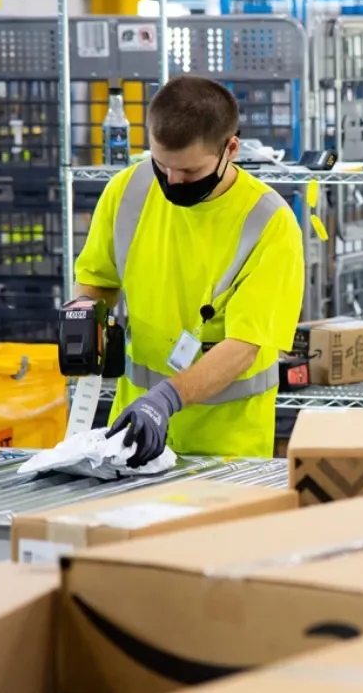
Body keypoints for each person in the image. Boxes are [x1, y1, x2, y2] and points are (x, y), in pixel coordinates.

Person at [73, 75, 305, 464]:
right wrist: (82, 315)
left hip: (228, 449)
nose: (173, 181)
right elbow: (97, 279)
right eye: (161, 165)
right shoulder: (126, 191)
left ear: (231, 148)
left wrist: (165, 399)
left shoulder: (269, 224)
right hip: (133, 439)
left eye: (190, 172)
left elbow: (242, 348)